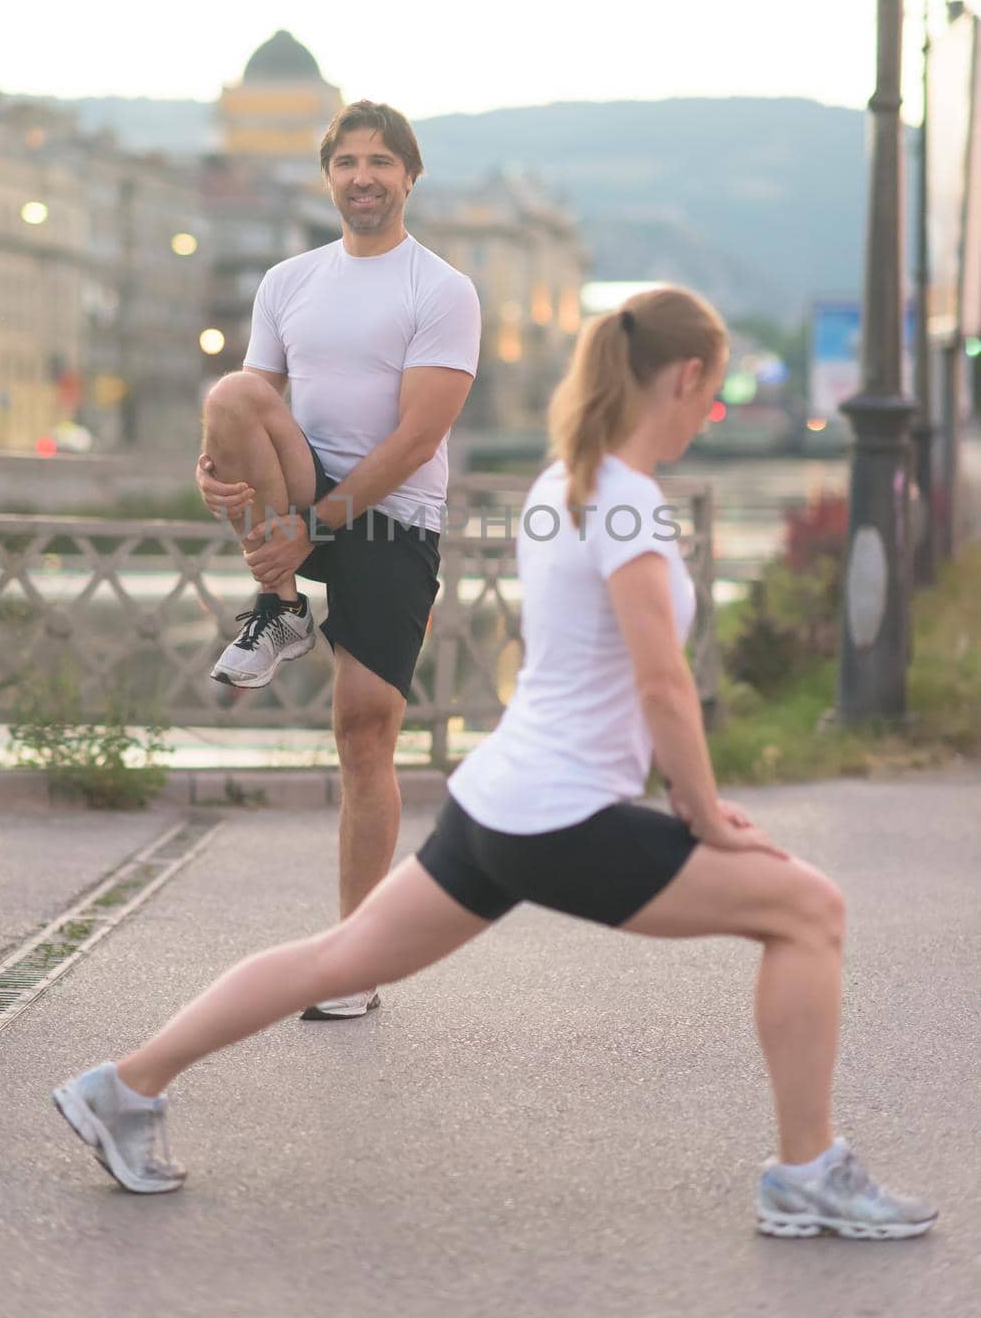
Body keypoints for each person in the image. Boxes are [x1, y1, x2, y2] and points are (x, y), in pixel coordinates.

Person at [54, 286, 936, 1239]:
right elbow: (664, 684)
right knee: (811, 912)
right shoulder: (631, 506)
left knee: (337, 957)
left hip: (496, 805)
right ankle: (807, 1172)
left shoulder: (564, 486)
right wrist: (706, 811)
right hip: (557, 817)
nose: (704, 410)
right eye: (708, 390)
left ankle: (123, 1086)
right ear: (686, 378)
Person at [196, 100, 480, 1018]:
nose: (364, 176)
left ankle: (355, 965)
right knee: (231, 389)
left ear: (410, 176)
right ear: (328, 175)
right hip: (305, 490)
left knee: (364, 731)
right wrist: (215, 476)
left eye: (382, 162)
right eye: (348, 161)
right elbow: (252, 407)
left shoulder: (439, 289)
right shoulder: (288, 281)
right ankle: (280, 606)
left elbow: (419, 435)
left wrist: (316, 525)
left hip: (393, 515)